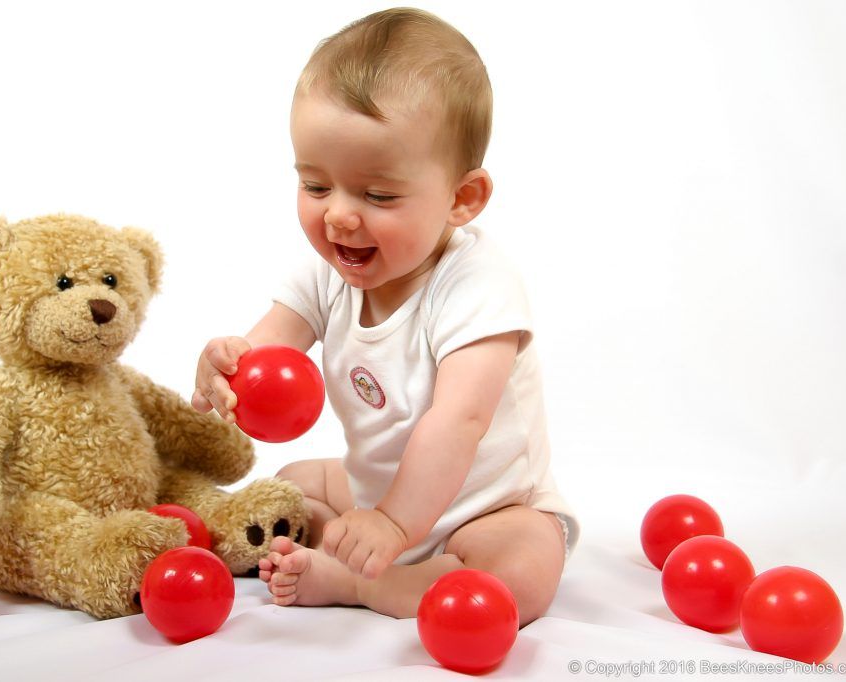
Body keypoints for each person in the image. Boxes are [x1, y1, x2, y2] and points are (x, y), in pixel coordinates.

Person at [192, 7, 578, 627]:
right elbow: (266, 355)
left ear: (461, 198)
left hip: (485, 506)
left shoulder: (478, 287)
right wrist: (223, 370)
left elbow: (460, 420)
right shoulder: (327, 274)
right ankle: (323, 547)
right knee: (294, 481)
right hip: (375, 495)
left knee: (525, 564)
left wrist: (396, 523)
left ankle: (370, 586)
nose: (340, 216)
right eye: (317, 186)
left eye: (378, 195)